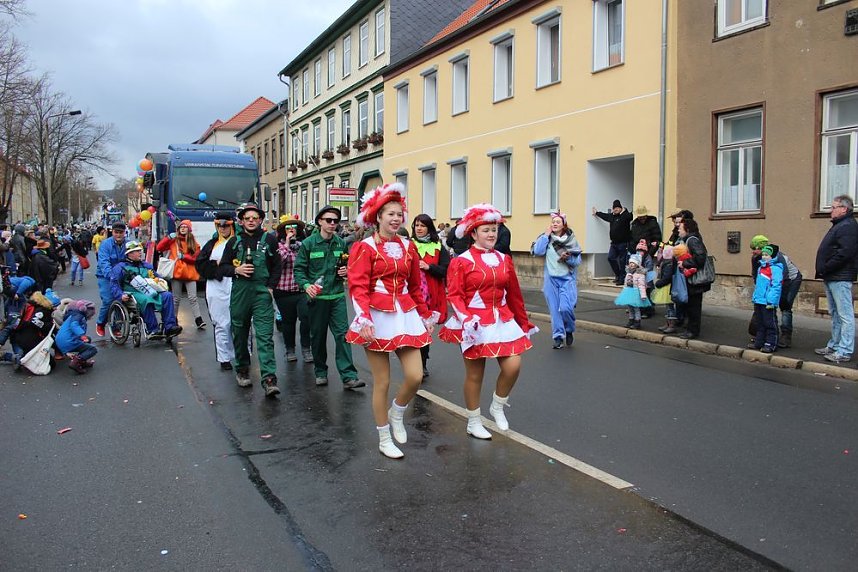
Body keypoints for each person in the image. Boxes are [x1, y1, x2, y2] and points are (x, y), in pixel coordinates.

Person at [347, 184, 436, 459]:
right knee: (382, 381)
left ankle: (396, 412)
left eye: (399, 214)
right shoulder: (365, 247)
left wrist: (424, 314)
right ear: (378, 217)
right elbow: (358, 285)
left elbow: (414, 285)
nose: (396, 219)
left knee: (415, 375)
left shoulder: (409, 247)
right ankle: (384, 436)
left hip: (405, 314)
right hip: (376, 316)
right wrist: (363, 316)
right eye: (390, 214)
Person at [440, 203, 537, 440]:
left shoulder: (504, 259)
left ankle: (497, 405)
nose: (491, 234)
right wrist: (466, 319)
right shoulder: (461, 261)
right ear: (474, 234)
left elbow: (514, 294)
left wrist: (524, 324)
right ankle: (474, 421)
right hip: (474, 322)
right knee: (475, 375)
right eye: (486, 230)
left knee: (513, 365)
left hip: (502, 319)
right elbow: (454, 294)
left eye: (494, 229)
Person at [294, 205, 364, 390]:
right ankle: (320, 372)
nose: (333, 224)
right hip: (318, 299)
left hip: (337, 296)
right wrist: (307, 285)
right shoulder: (308, 244)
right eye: (329, 220)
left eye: (336, 221)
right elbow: (299, 270)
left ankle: (349, 376)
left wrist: (345, 271)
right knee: (318, 337)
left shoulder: (340, 243)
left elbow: (346, 266)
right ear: (320, 222)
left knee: (343, 336)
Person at [216, 203, 281, 396]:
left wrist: (270, 287)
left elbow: (277, 266)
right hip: (240, 292)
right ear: (241, 221)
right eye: (247, 218)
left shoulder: (270, 239)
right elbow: (222, 267)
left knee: (264, 336)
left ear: (261, 220)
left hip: (262, 293)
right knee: (240, 332)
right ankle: (242, 369)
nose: (251, 221)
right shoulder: (233, 242)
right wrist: (236, 269)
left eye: (255, 218)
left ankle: (269, 379)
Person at [814, 195, 858, 364]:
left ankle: (844, 350)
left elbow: (845, 253)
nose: (830, 210)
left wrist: (826, 266)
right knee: (835, 314)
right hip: (833, 276)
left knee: (844, 315)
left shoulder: (848, 226)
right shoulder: (840, 225)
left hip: (840, 276)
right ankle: (834, 345)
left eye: (833, 207)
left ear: (844, 209)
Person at [109, 240, 183, 340]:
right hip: (132, 293)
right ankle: (153, 329)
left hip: (149, 290)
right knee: (146, 300)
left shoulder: (147, 266)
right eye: (137, 251)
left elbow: (157, 278)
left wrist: (160, 281)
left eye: (140, 250)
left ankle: (170, 327)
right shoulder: (120, 268)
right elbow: (114, 284)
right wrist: (120, 295)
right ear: (129, 254)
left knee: (167, 295)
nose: (140, 253)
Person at [532, 211, 581, 349]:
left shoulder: (571, 240)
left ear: (563, 225)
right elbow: (537, 251)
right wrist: (546, 235)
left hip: (567, 280)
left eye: (558, 222)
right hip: (551, 281)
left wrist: (568, 258)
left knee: (566, 308)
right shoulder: (547, 239)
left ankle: (569, 329)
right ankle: (558, 336)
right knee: (555, 311)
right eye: (553, 221)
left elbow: (577, 260)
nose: (554, 224)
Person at [195, 212, 237, 370]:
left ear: (232, 225)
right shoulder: (211, 245)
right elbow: (200, 265)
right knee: (221, 323)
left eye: (226, 225)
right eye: (220, 225)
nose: (223, 228)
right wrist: (216, 264)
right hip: (217, 287)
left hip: (236, 285)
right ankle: (224, 357)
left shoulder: (238, 243)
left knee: (239, 323)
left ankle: (243, 354)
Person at [410, 213, 449, 377]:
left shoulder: (438, 247)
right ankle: (411, 362)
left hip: (431, 294)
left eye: (422, 225)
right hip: (411, 294)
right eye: (416, 225)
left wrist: (429, 267)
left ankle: (422, 362)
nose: (419, 228)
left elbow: (446, 270)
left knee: (425, 328)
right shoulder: (407, 245)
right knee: (412, 328)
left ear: (429, 228)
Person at [748, 235, 803, 349]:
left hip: (790, 280)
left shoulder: (777, 257)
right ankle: (760, 336)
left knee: (785, 306)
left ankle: (785, 336)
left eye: (755, 248)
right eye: (752, 248)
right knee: (761, 306)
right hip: (771, 282)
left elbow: (782, 277)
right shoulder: (756, 258)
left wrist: (774, 297)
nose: (753, 251)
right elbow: (756, 275)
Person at [272, 216, 312, 364]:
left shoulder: (304, 245)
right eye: (288, 228)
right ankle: (290, 349)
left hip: (302, 290)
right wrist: (287, 244)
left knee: (306, 318)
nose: (292, 230)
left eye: (294, 228)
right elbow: (278, 262)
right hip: (283, 290)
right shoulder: (278, 246)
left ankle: (306, 348)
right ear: (283, 232)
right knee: (288, 323)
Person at [157, 220, 206, 330]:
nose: (183, 229)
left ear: (189, 229)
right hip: (177, 273)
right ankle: (173, 319)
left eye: (185, 227)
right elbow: (159, 248)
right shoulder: (173, 241)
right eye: (181, 227)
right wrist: (168, 238)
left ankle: (199, 319)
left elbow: (196, 258)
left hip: (190, 274)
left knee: (193, 298)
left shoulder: (194, 243)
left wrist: (184, 257)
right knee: (176, 298)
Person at [675, 218, 710, 340]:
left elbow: (700, 258)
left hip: (695, 280)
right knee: (690, 306)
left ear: (687, 229)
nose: (678, 229)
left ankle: (692, 331)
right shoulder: (689, 240)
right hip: (691, 279)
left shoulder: (692, 241)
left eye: (680, 228)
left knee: (694, 307)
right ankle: (690, 329)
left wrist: (685, 263)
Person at [0, 291, 55, 369]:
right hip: (28, 340)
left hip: (18, 338)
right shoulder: (43, 312)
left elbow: (11, 326)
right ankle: (11, 357)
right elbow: (49, 331)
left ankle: (12, 357)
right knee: (25, 359)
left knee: (23, 357)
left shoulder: (26, 309)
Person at [95, 223, 128, 337]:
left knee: (121, 299)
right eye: (116, 232)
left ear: (124, 233)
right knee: (108, 300)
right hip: (105, 276)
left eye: (121, 232)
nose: (118, 235)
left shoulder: (127, 244)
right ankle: (100, 323)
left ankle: (116, 327)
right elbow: (104, 262)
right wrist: (111, 276)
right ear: (112, 232)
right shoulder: (105, 244)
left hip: (121, 275)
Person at [749, 245, 783, 353]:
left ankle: (771, 343)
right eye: (763, 254)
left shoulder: (775, 269)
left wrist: (771, 301)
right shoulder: (760, 268)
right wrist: (755, 297)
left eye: (766, 255)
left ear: (772, 256)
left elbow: (776, 286)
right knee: (760, 322)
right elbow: (759, 285)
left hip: (768, 301)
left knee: (770, 323)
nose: (764, 257)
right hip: (759, 300)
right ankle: (759, 342)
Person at [592, 199, 632, 285]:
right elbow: (605, 216)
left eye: (617, 208)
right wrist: (597, 213)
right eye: (614, 208)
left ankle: (622, 279)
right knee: (610, 258)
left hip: (624, 243)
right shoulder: (612, 216)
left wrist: (624, 211)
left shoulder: (625, 216)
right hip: (614, 243)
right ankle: (618, 275)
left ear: (621, 208)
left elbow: (630, 216)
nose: (616, 209)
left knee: (622, 262)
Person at [56, 299, 97, 373]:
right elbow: (74, 325)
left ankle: (82, 362)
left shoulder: (72, 315)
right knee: (92, 349)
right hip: (68, 341)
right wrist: (82, 336)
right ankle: (76, 362)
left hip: (61, 340)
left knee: (88, 339)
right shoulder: (78, 316)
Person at [614, 253, 651, 329]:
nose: (631, 264)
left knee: (636, 308)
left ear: (637, 264)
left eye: (633, 263)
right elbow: (625, 283)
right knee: (630, 308)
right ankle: (631, 320)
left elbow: (641, 285)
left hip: (636, 292)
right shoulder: (628, 273)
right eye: (630, 263)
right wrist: (624, 290)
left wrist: (643, 295)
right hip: (628, 292)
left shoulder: (640, 274)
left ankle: (637, 322)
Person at [653, 245, 678, 333]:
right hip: (666, 287)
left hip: (667, 287)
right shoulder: (667, 262)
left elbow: (667, 277)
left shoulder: (669, 264)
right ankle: (668, 323)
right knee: (668, 307)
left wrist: (659, 283)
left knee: (670, 307)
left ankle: (671, 324)